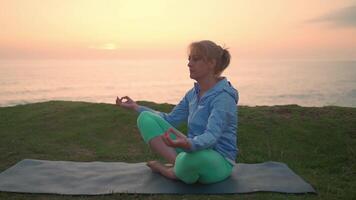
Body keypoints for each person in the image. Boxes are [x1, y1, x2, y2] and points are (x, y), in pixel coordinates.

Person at [116, 40, 239, 184]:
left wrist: (188, 144)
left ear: (211, 63)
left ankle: (171, 171)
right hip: (191, 151)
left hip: (218, 159)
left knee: (195, 159)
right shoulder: (192, 94)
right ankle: (180, 165)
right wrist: (136, 107)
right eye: (189, 59)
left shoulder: (223, 97)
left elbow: (212, 136)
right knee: (145, 118)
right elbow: (170, 119)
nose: (189, 64)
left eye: (196, 59)